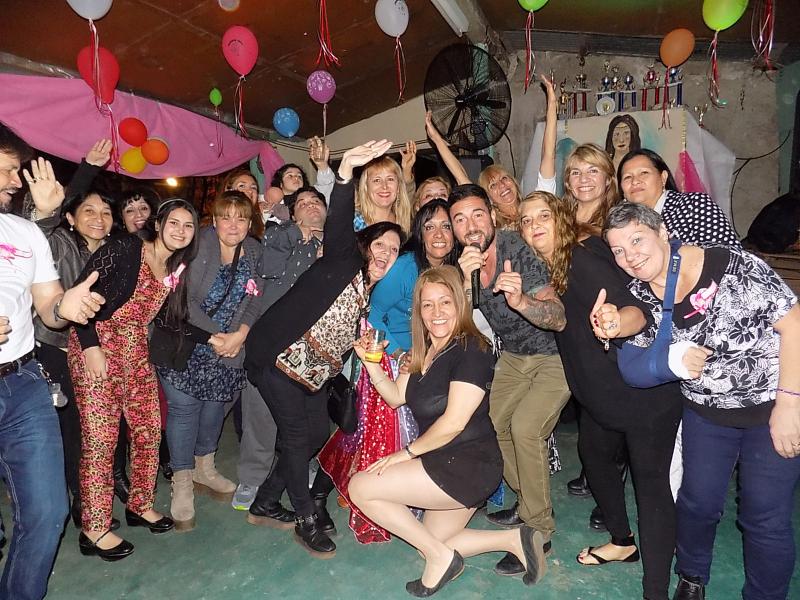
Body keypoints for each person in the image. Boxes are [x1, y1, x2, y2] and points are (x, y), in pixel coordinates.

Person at [598, 202, 800, 600]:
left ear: (663, 233)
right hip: (705, 413)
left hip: (770, 408)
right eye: (618, 250)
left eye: (637, 240)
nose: (630, 256)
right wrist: (614, 322)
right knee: (697, 504)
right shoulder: (642, 291)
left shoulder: (733, 267)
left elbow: (794, 325)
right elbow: (637, 332)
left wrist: (790, 404)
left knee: (764, 517)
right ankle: (691, 575)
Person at [519, 191, 682, 600]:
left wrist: (615, 324)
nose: (534, 225)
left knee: (651, 490)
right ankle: (622, 542)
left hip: (641, 400)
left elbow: (635, 310)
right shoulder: (557, 264)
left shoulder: (580, 260)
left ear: (561, 218)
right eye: (526, 220)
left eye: (543, 216)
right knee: (594, 457)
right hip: (600, 399)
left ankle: (656, 591)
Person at [348, 265, 549, 597]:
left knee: (360, 487)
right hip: (442, 460)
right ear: (418, 311)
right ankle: (515, 539)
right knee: (430, 540)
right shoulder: (423, 350)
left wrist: (404, 455)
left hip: (469, 464)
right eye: (427, 305)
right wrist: (371, 364)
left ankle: (440, 559)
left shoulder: (473, 350)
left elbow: (454, 421)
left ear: (460, 304)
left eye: (445, 302)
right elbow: (395, 397)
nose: (436, 312)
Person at [243, 140, 400, 558]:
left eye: (393, 250)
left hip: (312, 374)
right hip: (277, 357)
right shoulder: (343, 260)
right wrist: (344, 173)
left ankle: (265, 502)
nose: (386, 254)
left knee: (314, 435)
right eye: (380, 245)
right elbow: (340, 220)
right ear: (364, 245)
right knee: (297, 437)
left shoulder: (366, 293)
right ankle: (305, 517)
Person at [0, 121, 106, 600]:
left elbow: (48, 305)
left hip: (24, 383)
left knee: (47, 513)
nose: (15, 181)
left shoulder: (25, 231)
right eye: (7, 170)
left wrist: (67, 306)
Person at [317, 198, 456, 543]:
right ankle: (329, 493)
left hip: (420, 360)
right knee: (372, 435)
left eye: (446, 226)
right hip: (389, 357)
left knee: (409, 433)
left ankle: (401, 496)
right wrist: (397, 354)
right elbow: (374, 313)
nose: (439, 234)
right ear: (420, 233)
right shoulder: (407, 266)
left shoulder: (452, 267)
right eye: (430, 226)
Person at [68, 198, 199, 560]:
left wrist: (214, 338)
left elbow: (171, 320)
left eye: (188, 226)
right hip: (98, 344)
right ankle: (94, 528)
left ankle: (139, 505)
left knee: (149, 430)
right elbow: (81, 293)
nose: (181, 231)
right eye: (174, 223)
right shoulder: (126, 247)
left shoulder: (175, 267)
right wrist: (90, 345)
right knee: (101, 440)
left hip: (137, 351)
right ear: (158, 224)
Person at [450, 183, 569, 578]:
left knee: (526, 428)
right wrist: (463, 283)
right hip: (515, 357)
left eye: (477, 214)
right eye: (459, 219)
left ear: (491, 215)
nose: (470, 226)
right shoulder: (464, 263)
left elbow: (558, 317)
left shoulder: (515, 250)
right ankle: (527, 501)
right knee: (492, 424)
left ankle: (538, 529)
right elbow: (458, 323)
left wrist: (520, 301)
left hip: (555, 355)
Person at [151, 191, 266, 531]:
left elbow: (255, 298)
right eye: (225, 217)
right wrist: (218, 337)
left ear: (249, 223)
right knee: (185, 411)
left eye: (241, 218)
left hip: (229, 347)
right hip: (186, 344)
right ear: (214, 221)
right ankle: (182, 482)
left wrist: (240, 335)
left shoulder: (254, 250)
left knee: (215, 408)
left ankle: (205, 468)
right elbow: (181, 302)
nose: (233, 225)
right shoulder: (198, 246)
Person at [235, 186, 327, 511]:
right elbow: (268, 268)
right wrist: (295, 233)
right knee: (260, 416)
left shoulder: (333, 247)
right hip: (270, 342)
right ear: (292, 211)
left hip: (309, 347)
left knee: (306, 418)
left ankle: (301, 463)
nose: (310, 206)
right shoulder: (278, 235)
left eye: (316, 202)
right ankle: (252, 476)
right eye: (302, 203)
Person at [34, 184, 117, 530]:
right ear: (70, 217)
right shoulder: (59, 243)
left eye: (106, 212)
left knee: (92, 431)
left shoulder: (114, 253)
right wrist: (46, 213)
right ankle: (77, 501)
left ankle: (90, 498)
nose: (99, 219)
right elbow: (35, 238)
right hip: (56, 348)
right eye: (89, 211)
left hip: (95, 352)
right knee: (69, 430)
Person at [617, 148, 740, 249]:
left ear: (663, 177)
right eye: (627, 177)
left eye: (644, 173)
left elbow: (730, 257)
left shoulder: (695, 205)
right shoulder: (621, 227)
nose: (635, 181)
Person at [425, 111, 522, 230]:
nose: (502, 185)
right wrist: (436, 138)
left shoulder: (533, 206)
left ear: (514, 181)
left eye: (504, 178)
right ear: (489, 199)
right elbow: (461, 176)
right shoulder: (491, 222)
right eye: (493, 185)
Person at [354, 153, 413, 235]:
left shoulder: (403, 223)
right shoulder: (353, 221)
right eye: (377, 180)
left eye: (390, 179)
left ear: (399, 187)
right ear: (366, 187)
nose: (384, 186)